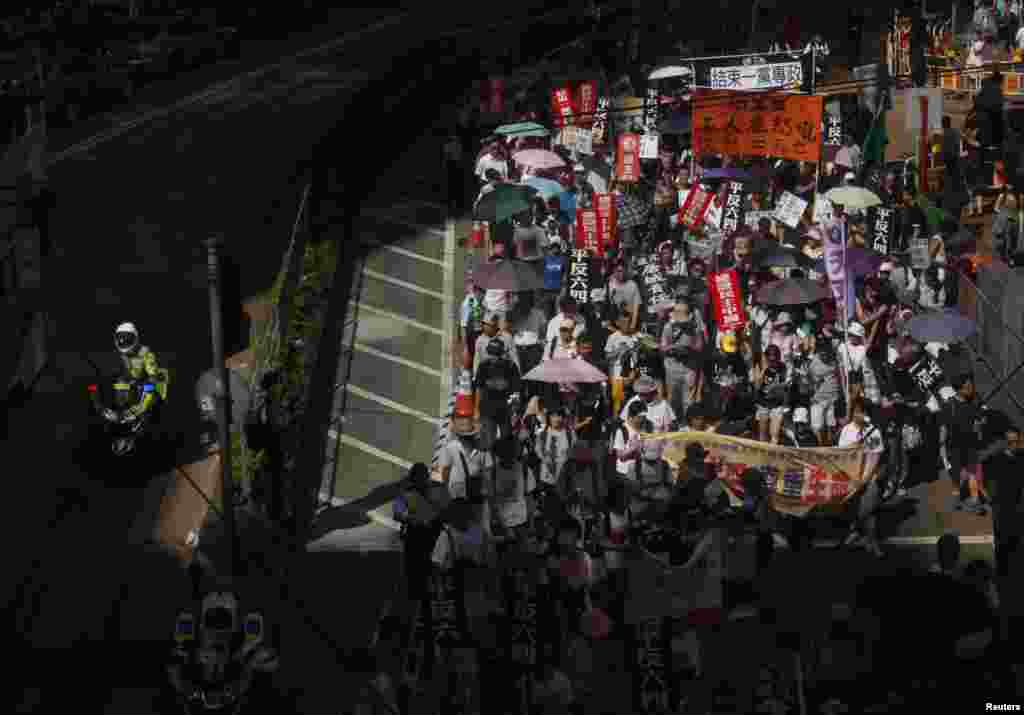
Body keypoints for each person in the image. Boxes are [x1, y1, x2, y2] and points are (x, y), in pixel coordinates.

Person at [839, 397, 885, 558]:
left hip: (868, 479)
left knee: (869, 511)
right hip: (850, 479)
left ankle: (872, 540)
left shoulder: (873, 431)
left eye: (861, 411)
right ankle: (855, 532)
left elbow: (874, 458)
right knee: (853, 509)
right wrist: (850, 477)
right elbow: (842, 456)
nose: (857, 414)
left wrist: (864, 479)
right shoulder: (846, 430)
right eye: (856, 410)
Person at [394, 463, 447, 602]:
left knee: (436, 568)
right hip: (416, 534)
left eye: (422, 478)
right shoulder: (407, 493)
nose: (420, 482)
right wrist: (413, 519)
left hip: (434, 533)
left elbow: (448, 509)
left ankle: (437, 595)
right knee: (415, 572)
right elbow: (397, 513)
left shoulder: (438, 489)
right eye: (417, 479)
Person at [660, 296, 704, 420]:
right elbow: (663, 347)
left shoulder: (695, 328)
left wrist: (689, 347)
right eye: (677, 312)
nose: (679, 315)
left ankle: (687, 426)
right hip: (672, 368)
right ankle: (672, 426)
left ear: (690, 314)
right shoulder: (669, 327)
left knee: (688, 401)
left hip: (689, 368)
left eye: (682, 312)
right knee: (672, 400)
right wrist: (674, 348)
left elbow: (700, 347)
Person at [474, 338, 521, 450]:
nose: (492, 356)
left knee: (506, 443)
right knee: (488, 443)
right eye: (490, 353)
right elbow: (479, 389)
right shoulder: (483, 366)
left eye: (495, 354)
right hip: (487, 410)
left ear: (502, 354)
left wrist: (514, 411)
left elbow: (516, 390)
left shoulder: (511, 367)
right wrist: (476, 410)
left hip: (505, 412)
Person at [113, 322, 166, 418]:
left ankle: (142, 409)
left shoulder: (145, 353)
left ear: (135, 339)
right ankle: (122, 409)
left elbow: (152, 374)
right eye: (121, 338)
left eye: (127, 339)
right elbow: (124, 371)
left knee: (148, 385)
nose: (123, 341)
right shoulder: (123, 355)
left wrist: (152, 377)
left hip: (146, 382)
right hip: (134, 381)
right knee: (120, 382)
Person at [751, 344, 791, 444]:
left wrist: (781, 387)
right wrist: (764, 370)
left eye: (775, 360)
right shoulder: (759, 366)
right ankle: (763, 455)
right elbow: (756, 386)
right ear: (766, 358)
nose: (773, 363)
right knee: (763, 434)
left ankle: (774, 454)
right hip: (763, 404)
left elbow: (786, 385)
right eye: (771, 360)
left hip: (777, 404)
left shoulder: (783, 367)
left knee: (775, 433)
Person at [606, 258, 642, 334]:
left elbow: (636, 308)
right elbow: (609, 305)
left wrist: (632, 326)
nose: (621, 274)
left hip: (629, 323)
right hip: (615, 324)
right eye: (618, 271)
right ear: (614, 272)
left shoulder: (633, 285)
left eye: (623, 271)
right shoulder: (610, 285)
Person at [460, 279, 485, 372]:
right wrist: (465, 345)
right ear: (476, 291)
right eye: (482, 293)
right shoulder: (468, 303)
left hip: (479, 332)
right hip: (472, 334)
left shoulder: (481, 301)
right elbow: (463, 325)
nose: (483, 296)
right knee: (470, 356)